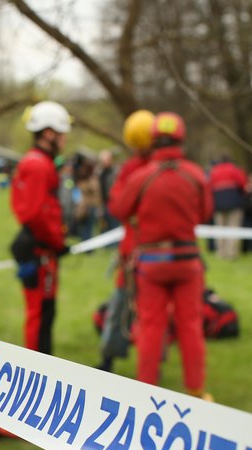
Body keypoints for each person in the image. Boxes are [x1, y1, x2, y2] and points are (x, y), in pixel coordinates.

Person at [111, 112, 213, 401]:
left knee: (151, 326)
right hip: (187, 261)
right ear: (181, 139)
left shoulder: (142, 176)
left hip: (152, 264)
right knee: (190, 325)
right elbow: (205, 213)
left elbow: (119, 209)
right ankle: (195, 390)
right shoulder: (194, 174)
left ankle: (146, 391)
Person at [9, 100, 72, 354]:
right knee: (40, 313)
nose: (65, 139)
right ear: (48, 133)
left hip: (43, 248)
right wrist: (56, 242)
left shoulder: (37, 162)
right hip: (39, 251)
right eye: (62, 132)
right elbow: (35, 213)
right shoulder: (38, 164)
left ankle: (44, 363)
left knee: (46, 311)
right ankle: (36, 367)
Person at [97, 109, 155, 372]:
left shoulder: (131, 169)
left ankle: (109, 360)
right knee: (151, 314)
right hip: (150, 251)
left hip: (135, 249)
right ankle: (151, 366)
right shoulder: (160, 167)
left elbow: (117, 205)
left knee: (122, 306)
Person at [208, 155, 248, 260]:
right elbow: (243, 184)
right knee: (233, 227)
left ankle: (220, 252)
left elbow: (208, 187)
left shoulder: (214, 171)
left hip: (218, 203)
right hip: (234, 202)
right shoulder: (235, 170)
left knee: (219, 228)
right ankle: (231, 253)